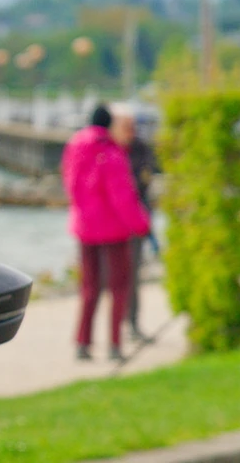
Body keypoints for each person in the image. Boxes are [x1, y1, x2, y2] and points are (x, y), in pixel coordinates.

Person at [62, 104, 152, 362]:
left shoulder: (75, 145)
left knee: (89, 287)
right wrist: (141, 225)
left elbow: (69, 182)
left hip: (84, 227)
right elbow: (122, 196)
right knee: (118, 288)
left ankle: (83, 342)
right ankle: (114, 344)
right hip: (113, 230)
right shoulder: (111, 152)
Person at [112, 106, 161, 343]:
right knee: (112, 278)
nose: (130, 131)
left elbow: (144, 183)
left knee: (132, 276)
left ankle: (131, 324)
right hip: (112, 223)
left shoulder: (141, 150)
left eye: (132, 126)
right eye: (125, 126)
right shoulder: (110, 150)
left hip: (135, 221)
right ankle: (113, 329)